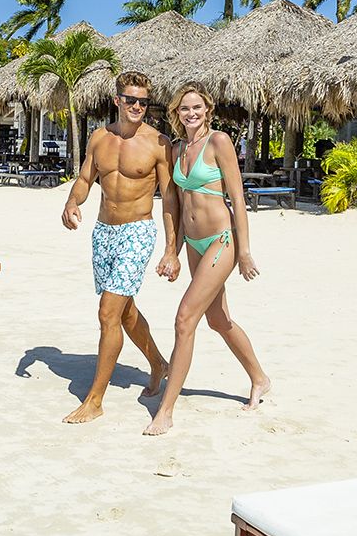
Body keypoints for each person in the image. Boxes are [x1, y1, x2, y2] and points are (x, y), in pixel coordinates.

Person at [148, 84, 272, 436]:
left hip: (221, 240)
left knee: (185, 318)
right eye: (185, 108)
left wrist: (245, 251)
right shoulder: (176, 149)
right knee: (218, 319)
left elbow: (237, 197)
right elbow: (171, 202)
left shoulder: (219, 143)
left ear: (208, 110)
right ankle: (259, 378)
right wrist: (171, 249)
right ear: (177, 113)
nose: (191, 113)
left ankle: (166, 410)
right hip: (193, 244)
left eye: (197, 107)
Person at [58, 70, 172, 424]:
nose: (138, 106)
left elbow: (170, 198)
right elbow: (85, 179)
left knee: (107, 312)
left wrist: (171, 249)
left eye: (144, 101)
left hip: (138, 232)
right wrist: (72, 202)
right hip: (104, 232)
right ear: (117, 100)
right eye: (132, 100)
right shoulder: (99, 138)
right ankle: (158, 363)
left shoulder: (158, 143)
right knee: (123, 311)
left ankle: (95, 400)